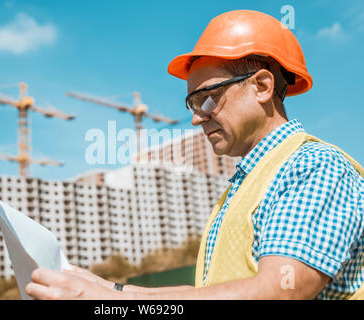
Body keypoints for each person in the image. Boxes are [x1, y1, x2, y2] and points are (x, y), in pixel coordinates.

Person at [25, 9, 364, 300]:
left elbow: (279, 290)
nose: (196, 116)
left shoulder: (313, 165)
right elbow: (213, 291)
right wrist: (110, 291)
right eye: (192, 102)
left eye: (207, 97)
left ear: (262, 86)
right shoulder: (246, 186)